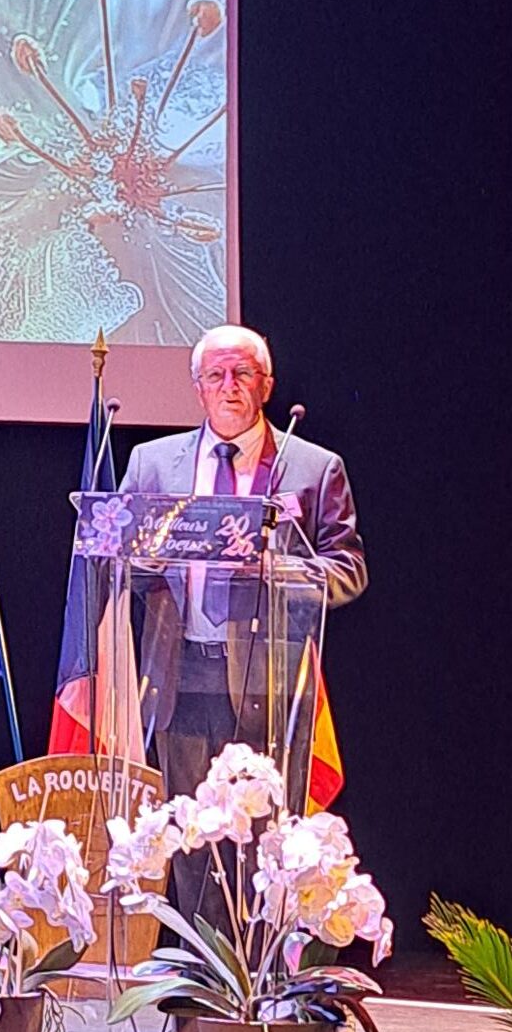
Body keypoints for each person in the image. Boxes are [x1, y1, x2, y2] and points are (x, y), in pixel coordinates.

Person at [121, 325, 365, 905]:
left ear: (266, 385)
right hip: (178, 674)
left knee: (263, 844)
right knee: (188, 841)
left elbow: (348, 569)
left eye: (243, 374)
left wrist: (278, 570)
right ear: (198, 388)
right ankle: (196, 959)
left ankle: (258, 960)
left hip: (268, 683)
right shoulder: (151, 463)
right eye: (216, 375)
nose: (229, 386)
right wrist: (145, 558)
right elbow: (119, 556)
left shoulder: (313, 467)